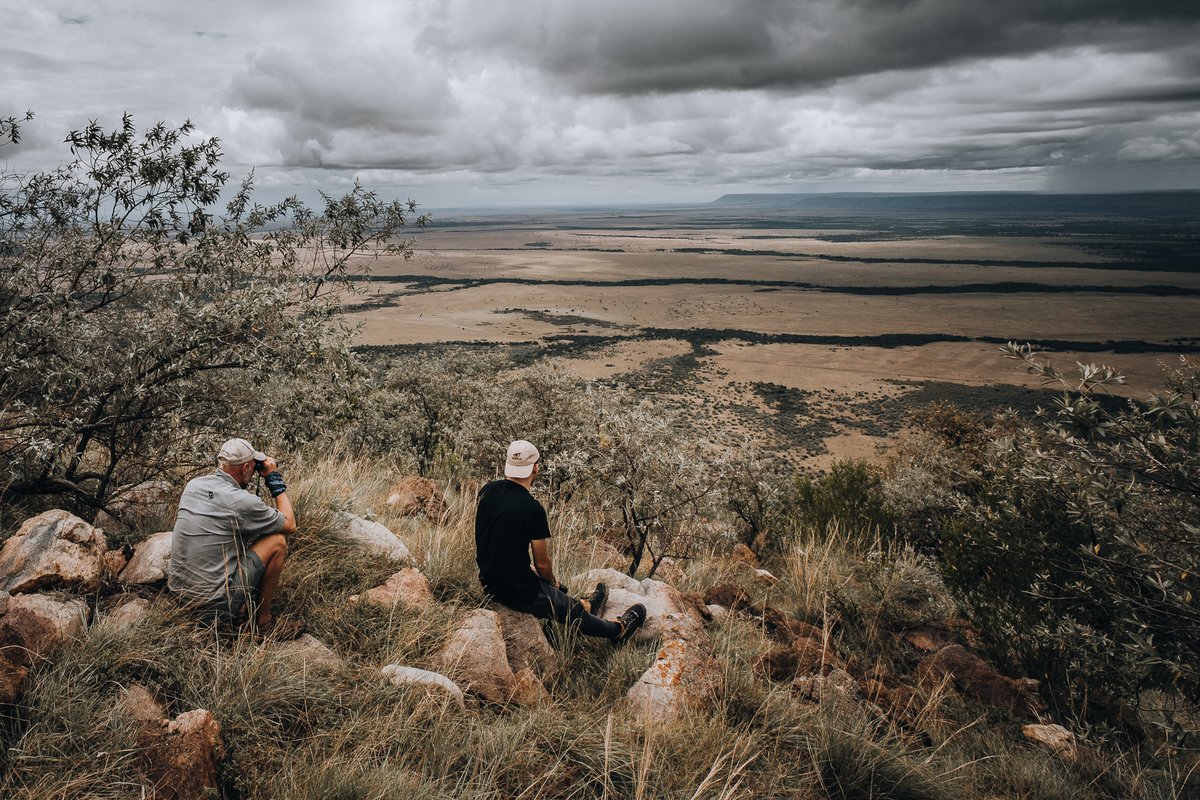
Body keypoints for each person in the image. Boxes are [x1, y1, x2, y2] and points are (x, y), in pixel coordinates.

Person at [475, 439, 646, 642]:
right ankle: (619, 630)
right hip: (516, 591)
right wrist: (551, 582)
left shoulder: (487, 490)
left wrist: (527, 568)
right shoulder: (532, 509)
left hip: (488, 580)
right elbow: (543, 563)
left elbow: (496, 538)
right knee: (570, 609)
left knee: (558, 596)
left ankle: (586, 605)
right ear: (535, 469)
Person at [168, 437, 294, 632]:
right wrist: (273, 478)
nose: (253, 472)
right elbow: (289, 524)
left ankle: (243, 606)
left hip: (178, 599)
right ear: (245, 469)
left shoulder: (193, 485)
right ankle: (264, 623)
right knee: (277, 541)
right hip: (212, 610)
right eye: (253, 467)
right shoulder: (241, 501)